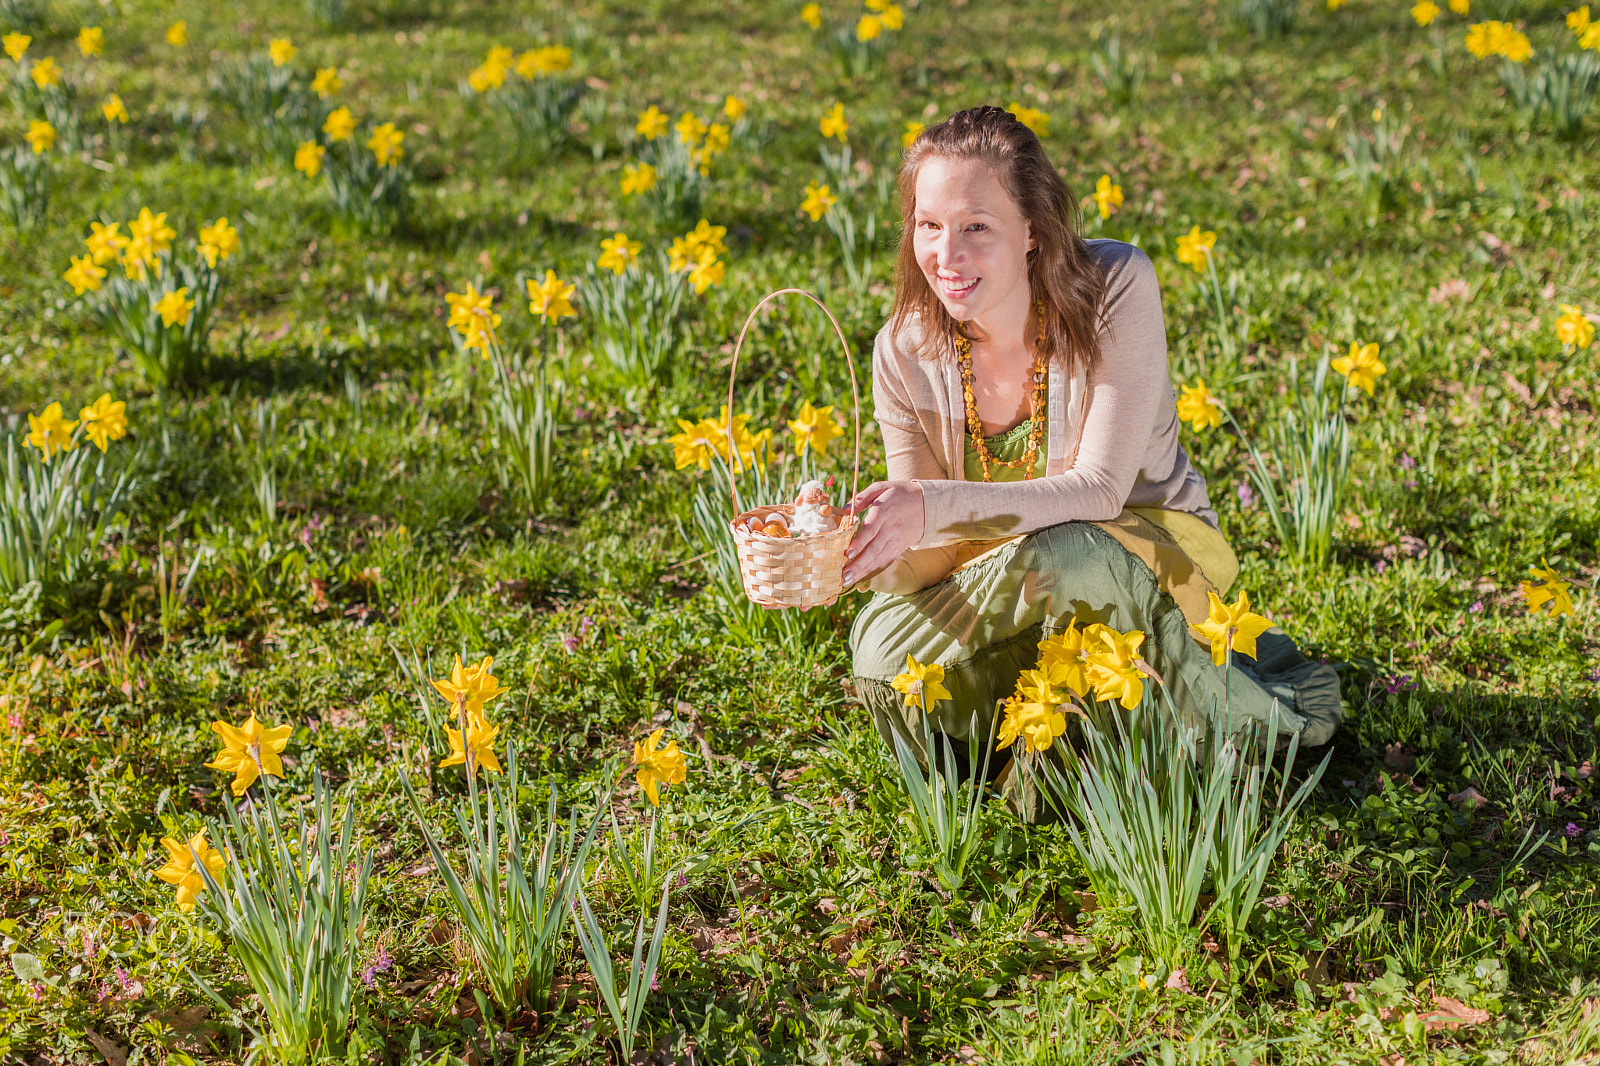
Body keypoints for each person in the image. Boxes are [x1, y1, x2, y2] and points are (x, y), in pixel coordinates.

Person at [836, 106, 1340, 818]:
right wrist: (857, 554)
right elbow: (933, 545)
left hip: (1138, 548)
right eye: (928, 225)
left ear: (1033, 229)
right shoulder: (903, 350)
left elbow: (1101, 490)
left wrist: (929, 503)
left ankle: (1132, 738)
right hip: (1005, 573)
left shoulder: (1115, 287)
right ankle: (1040, 726)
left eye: (976, 226)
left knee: (1067, 555)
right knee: (878, 651)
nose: (946, 255)